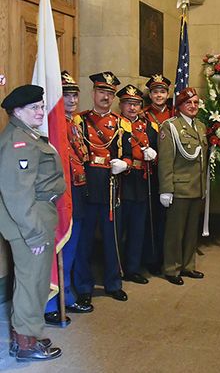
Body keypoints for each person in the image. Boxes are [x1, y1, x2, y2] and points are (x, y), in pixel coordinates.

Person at [0, 84, 65, 361]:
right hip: (30, 222)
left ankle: (23, 336)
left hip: (36, 217)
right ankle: (26, 344)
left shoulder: (28, 135)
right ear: (17, 111)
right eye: (34, 108)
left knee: (33, 281)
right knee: (31, 282)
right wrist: (34, 234)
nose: (41, 112)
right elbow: (17, 193)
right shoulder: (19, 142)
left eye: (41, 106)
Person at [74, 71, 132, 304]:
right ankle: (84, 286)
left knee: (112, 240)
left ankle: (113, 283)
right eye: (101, 92)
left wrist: (124, 164)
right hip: (87, 188)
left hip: (111, 190)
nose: (105, 97)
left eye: (110, 93)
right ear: (93, 93)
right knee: (84, 242)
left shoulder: (122, 124)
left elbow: (129, 155)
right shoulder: (80, 121)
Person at [44, 72, 93, 327]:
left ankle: (68, 294)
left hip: (78, 191)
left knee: (73, 246)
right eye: (66, 95)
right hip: (62, 195)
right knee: (60, 246)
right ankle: (52, 302)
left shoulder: (74, 122)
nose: (72, 100)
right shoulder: (53, 125)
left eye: (75, 94)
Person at [158, 87, 208, 285]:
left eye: (196, 103)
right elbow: (166, 161)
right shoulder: (170, 127)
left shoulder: (201, 127)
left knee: (190, 232)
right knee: (175, 232)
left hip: (196, 187)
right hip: (179, 188)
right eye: (189, 103)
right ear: (179, 106)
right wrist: (166, 189)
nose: (193, 106)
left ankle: (188, 266)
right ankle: (172, 268)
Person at [117, 85, 158, 285]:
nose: (132, 108)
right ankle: (116, 267)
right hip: (121, 183)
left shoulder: (147, 126)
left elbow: (157, 148)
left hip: (141, 183)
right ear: (121, 105)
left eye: (136, 104)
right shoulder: (115, 124)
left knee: (137, 229)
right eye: (128, 104)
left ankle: (132, 268)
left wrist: (153, 156)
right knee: (118, 230)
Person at [142, 74, 172, 275]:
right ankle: (152, 258)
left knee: (171, 218)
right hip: (151, 172)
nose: (159, 95)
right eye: (155, 92)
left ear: (168, 94)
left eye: (162, 91)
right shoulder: (144, 115)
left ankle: (168, 256)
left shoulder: (175, 113)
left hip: (171, 172)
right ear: (150, 95)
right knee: (153, 218)